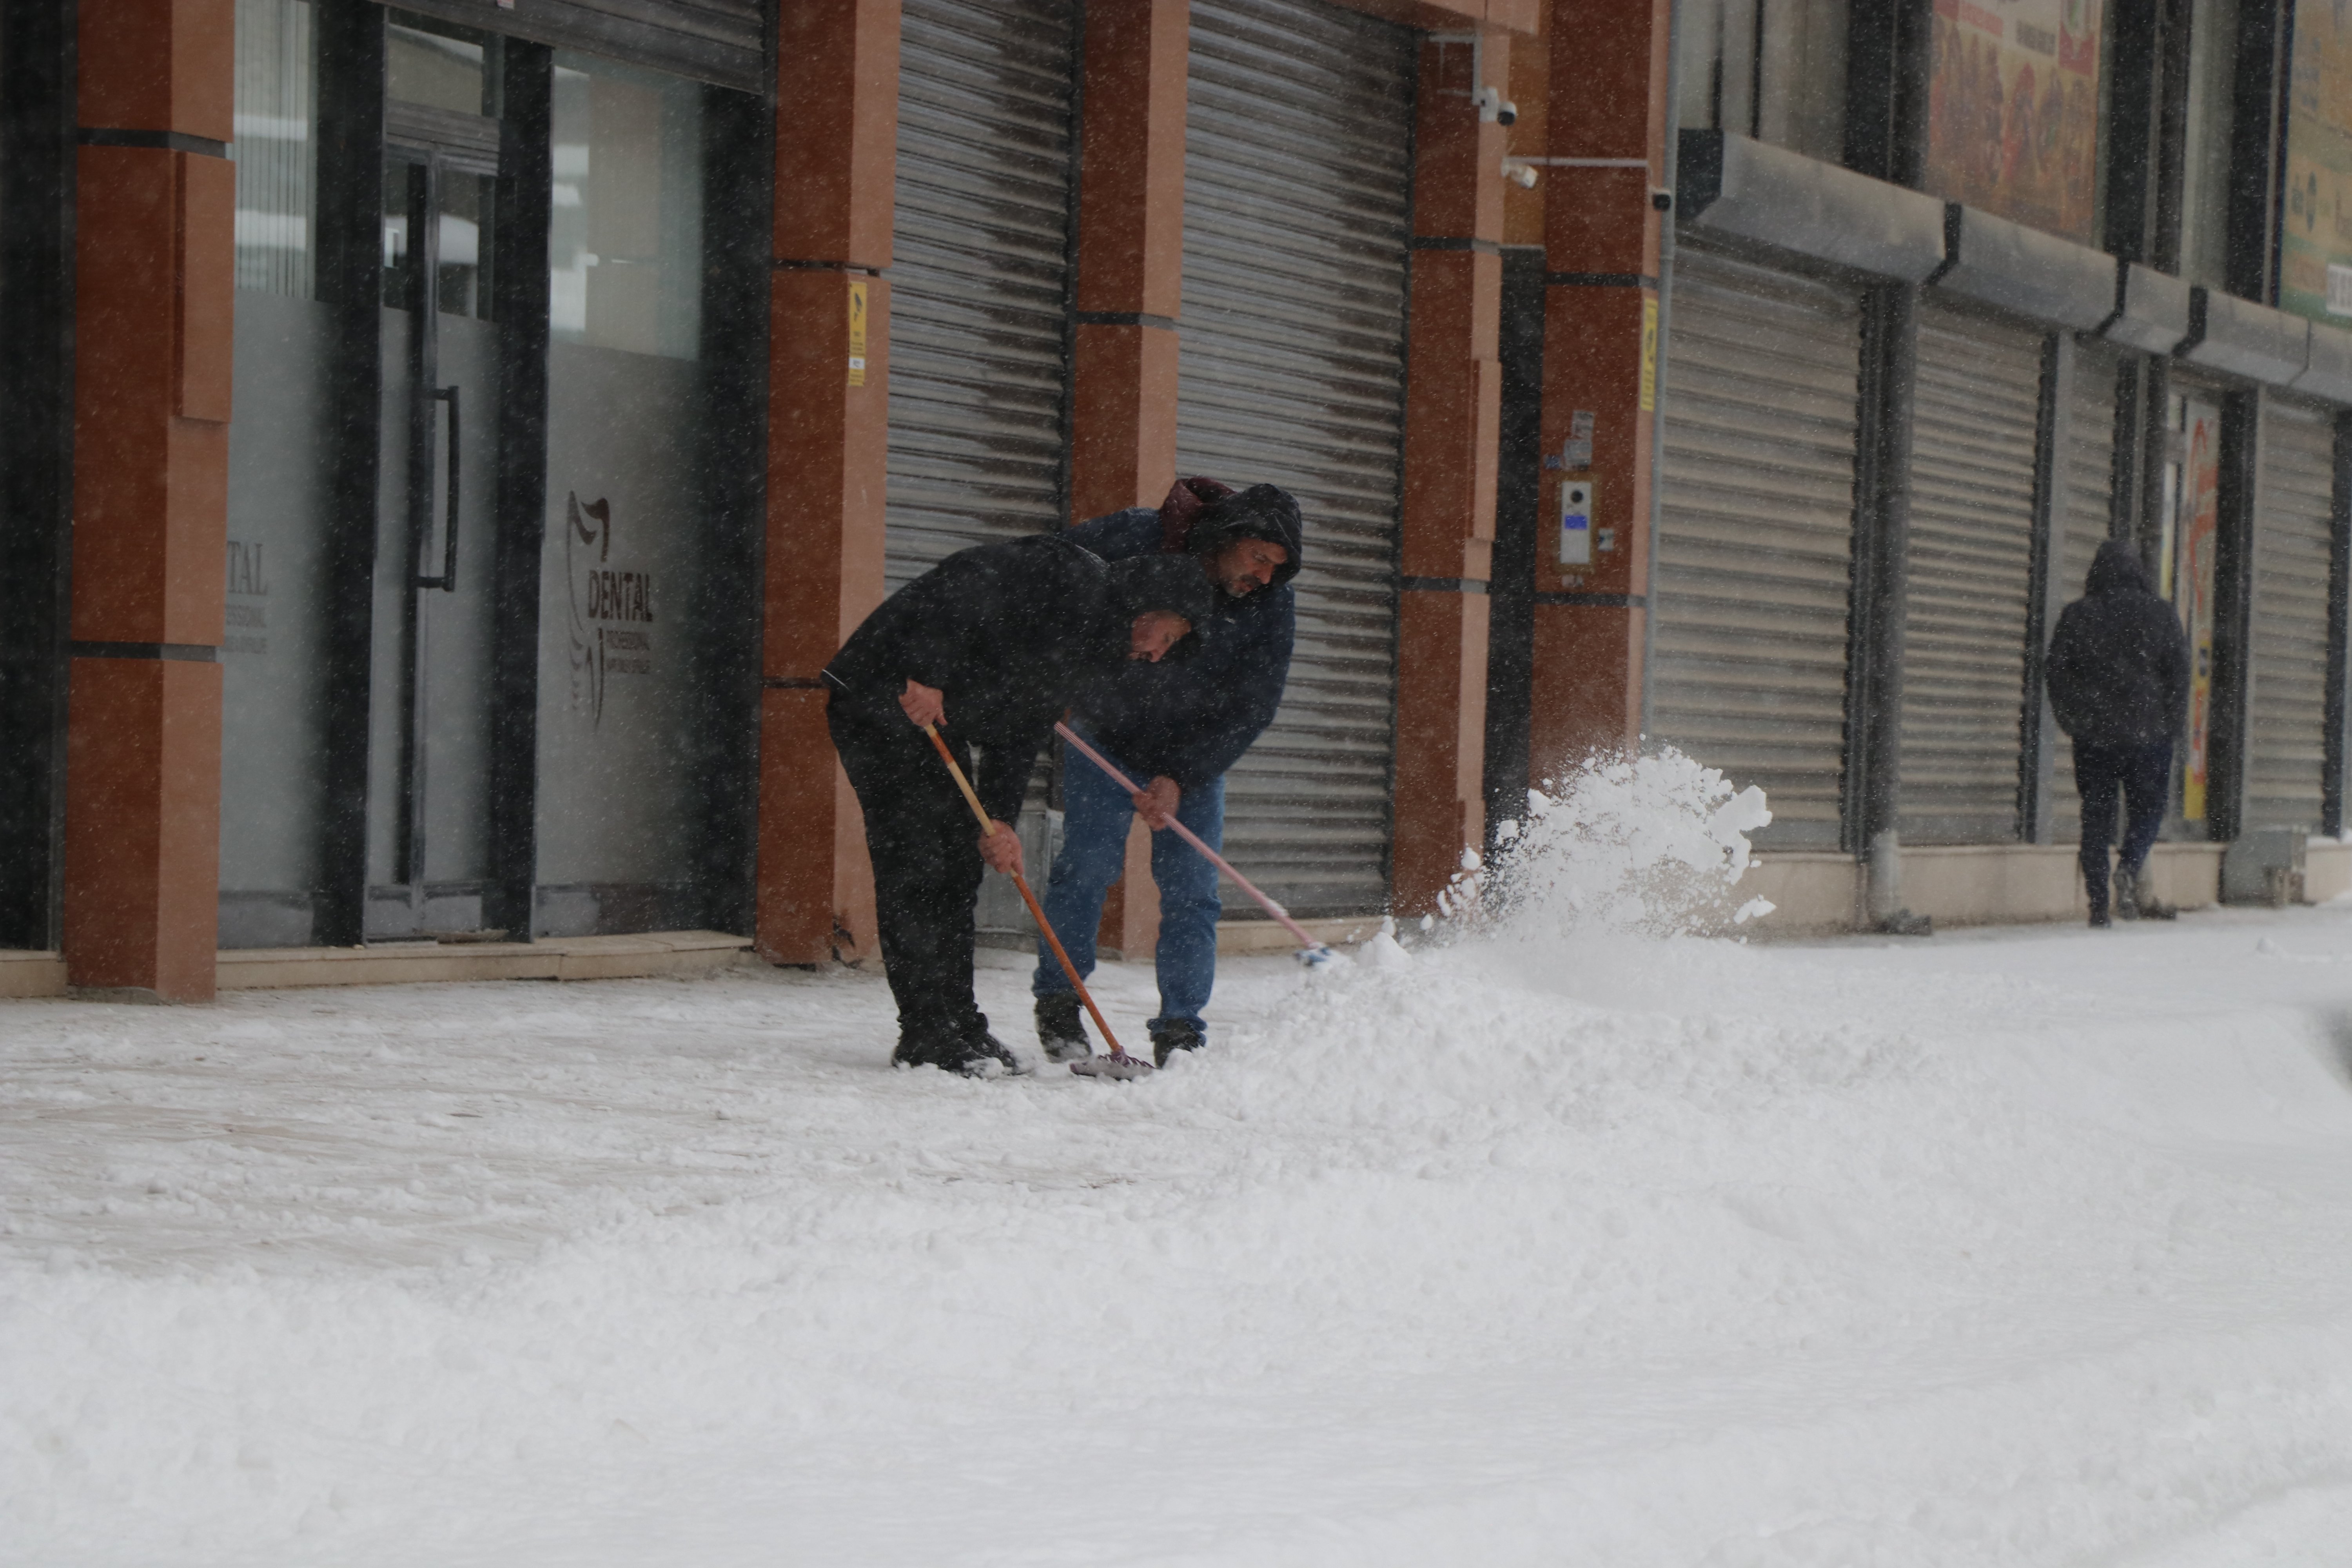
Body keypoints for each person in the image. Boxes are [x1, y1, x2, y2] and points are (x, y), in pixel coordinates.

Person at [824, 532, 1213, 1076]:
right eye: (1166, 635)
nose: (1155, 652)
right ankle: (926, 1036)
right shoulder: (1072, 580)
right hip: (886, 693)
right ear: (1147, 606)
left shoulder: (1094, 650)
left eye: (1169, 648)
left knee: (958, 865)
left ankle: (961, 1024)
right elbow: (961, 580)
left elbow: (1024, 726)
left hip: (936, 718)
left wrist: (999, 818)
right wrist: (928, 671)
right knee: (919, 863)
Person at [1032, 478, 1303, 1068]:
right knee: (1085, 869)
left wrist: (1182, 774)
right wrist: (1059, 670)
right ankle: (1059, 1003)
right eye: (1258, 556)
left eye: (1275, 567)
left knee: (1193, 895)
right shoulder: (1137, 536)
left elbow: (1256, 704)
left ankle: (1180, 1030)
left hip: (1194, 756)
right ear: (1230, 537)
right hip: (1103, 730)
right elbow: (1045, 573)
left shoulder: (1270, 600)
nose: (1262, 575)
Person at [2046, 539, 2191, 928]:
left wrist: (2074, 718)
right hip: (2149, 733)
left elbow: (2057, 673)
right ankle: (2130, 863)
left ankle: (2097, 906)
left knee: (2096, 816)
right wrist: (2171, 724)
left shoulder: (2078, 615)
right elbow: (2179, 674)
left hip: (2095, 735)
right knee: (2149, 809)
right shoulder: (2161, 614)